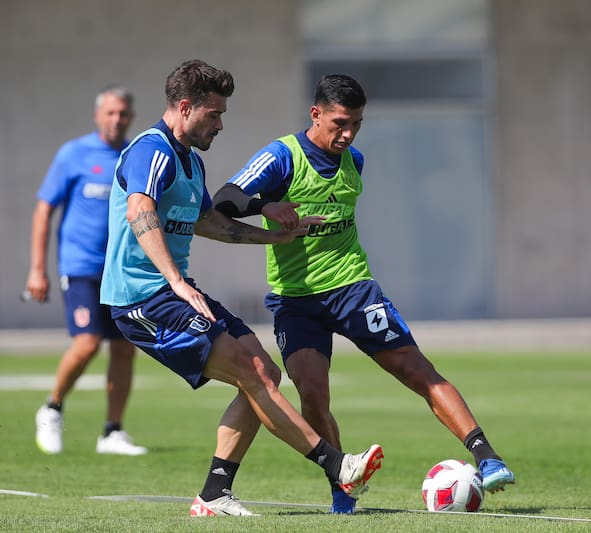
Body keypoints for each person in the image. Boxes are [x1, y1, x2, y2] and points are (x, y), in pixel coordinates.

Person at [212, 73, 515, 514]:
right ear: (315, 114)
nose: (348, 133)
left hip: (353, 288)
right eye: (339, 123)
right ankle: (341, 486)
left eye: (356, 123)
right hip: (296, 301)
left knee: (416, 369)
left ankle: (487, 456)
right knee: (312, 393)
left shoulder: (355, 159)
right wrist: (265, 206)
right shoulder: (282, 157)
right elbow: (223, 199)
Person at [99, 60, 383, 517]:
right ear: (186, 107)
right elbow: (139, 210)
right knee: (251, 370)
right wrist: (175, 281)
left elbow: (209, 221)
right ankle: (338, 466)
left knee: (265, 375)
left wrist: (274, 234)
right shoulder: (151, 151)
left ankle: (214, 494)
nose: (221, 124)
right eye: (214, 114)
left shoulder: (189, 160)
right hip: (142, 300)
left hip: (174, 292)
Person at [27, 85, 147, 456]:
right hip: (80, 266)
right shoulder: (74, 154)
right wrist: (37, 269)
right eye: (110, 113)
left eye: (123, 113)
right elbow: (44, 210)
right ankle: (52, 408)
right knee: (87, 342)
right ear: (98, 115)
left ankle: (112, 431)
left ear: (131, 117)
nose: (117, 119)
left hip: (121, 269)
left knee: (125, 348)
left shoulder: (133, 156)